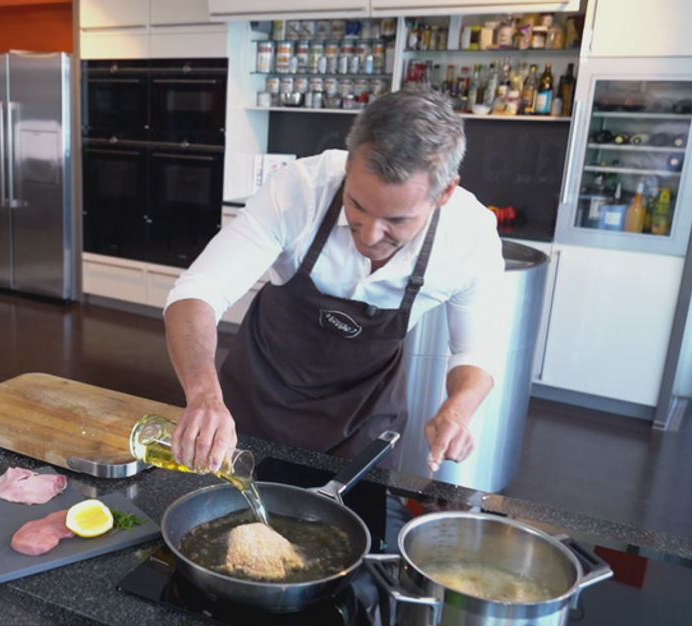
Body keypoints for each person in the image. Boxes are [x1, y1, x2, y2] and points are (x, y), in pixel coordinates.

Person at [163, 86, 505, 477]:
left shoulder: (469, 237)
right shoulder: (299, 190)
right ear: (349, 165)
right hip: (253, 406)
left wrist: (458, 408)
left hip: (364, 421)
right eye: (357, 204)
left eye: (397, 220)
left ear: (444, 192)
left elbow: (476, 350)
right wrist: (204, 396)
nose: (372, 235)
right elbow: (197, 293)